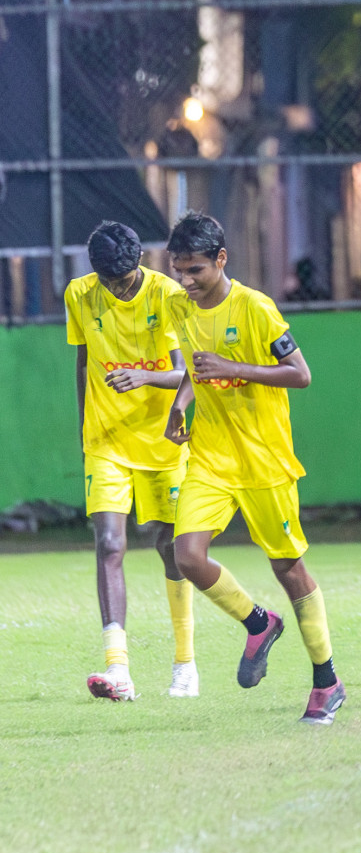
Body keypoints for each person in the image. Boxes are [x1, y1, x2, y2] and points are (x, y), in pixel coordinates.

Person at [161, 213, 344, 724]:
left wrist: (234, 368)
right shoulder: (180, 306)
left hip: (264, 461)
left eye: (195, 269)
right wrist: (182, 401)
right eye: (179, 270)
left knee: (288, 568)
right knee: (188, 558)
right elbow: (198, 367)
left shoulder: (256, 307)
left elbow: (300, 375)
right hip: (211, 457)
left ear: (221, 260)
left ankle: (326, 680)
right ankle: (258, 623)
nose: (186, 281)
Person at [66, 222, 197, 701]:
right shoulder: (79, 294)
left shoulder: (167, 296)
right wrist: (85, 427)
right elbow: (81, 363)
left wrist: (143, 377)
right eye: (106, 280)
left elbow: (188, 373)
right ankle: (117, 668)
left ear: (140, 263)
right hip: (106, 440)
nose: (115, 288)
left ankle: (185, 662)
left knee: (171, 547)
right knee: (108, 544)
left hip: (162, 441)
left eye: (122, 281)